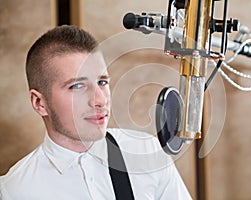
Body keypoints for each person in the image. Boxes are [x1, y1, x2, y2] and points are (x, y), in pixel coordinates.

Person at [0, 25, 192, 200]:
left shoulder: (147, 153)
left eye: (102, 82)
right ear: (39, 102)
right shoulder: (15, 190)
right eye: (77, 86)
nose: (100, 100)